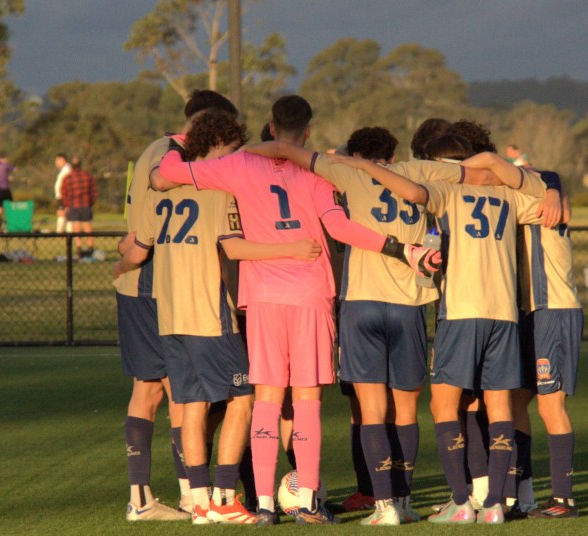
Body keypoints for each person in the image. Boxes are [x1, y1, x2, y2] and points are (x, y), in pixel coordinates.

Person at [154, 95, 440, 525]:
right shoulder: (315, 171)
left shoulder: (236, 165)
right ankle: (307, 499)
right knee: (307, 401)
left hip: (264, 296)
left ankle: (266, 504)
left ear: (270, 125)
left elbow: (167, 174)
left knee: (267, 400)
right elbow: (341, 227)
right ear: (307, 130)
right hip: (311, 295)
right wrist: (401, 249)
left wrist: (185, 141)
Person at [243, 126, 470, 525]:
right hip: (410, 303)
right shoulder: (417, 171)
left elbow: (288, 152)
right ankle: (403, 500)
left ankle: (382, 506)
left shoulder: (346, 172)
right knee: (405, 409)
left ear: (356, 152)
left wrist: (237, 153)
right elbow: (472, 171)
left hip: (362, 304)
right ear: (393, 151)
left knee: (369, 409)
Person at [325, 149, 561, 525]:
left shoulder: (448, 192)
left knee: (443, 406)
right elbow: (547, 198)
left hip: (461, 310)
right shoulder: (513, 196)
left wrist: (366, 166)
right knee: (500, 407)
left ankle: (460, 502)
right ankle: (496, 505)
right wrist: (551, 187)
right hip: (504, 313)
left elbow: (416, 194)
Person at [116, 109, 322, 525]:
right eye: (233, 148)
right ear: (222, 146)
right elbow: (235, 249)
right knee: (243, 401)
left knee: (189, 403)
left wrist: (118, 269)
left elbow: (136, 250)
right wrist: (293, 249)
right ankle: (226, 498)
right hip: (211, 316)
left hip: (169, 317)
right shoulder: (220, 192)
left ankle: (200, 501)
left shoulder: (164, 191)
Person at [110, 89, 239, 523]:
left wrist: (120, 260)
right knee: (184, 392)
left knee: (150, 391)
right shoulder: (181, 164)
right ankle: (192, 494)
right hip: (158, 284)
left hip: (137, 282)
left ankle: (142, 497)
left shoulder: (154, 149)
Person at [502, 182, 583, 520]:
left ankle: (564, 501)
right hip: (532, 311)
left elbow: (545, 176)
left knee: (551, 405)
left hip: (554, 310)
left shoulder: (540, 201)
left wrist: (551, 188)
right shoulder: (541, 195)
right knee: (518, 398)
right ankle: (522, 494)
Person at [60, 157, 98, 258]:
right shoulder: (87, 176)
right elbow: (94, 191)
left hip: (73, 206)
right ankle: (90, 246)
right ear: (81, 165)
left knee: (75, 227)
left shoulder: (68, 177)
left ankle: (79, 247)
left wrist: (66, 205)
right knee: (87, 226)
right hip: (85, 205)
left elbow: (64, 193)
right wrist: (91, 202)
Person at [53, 153, 72, 233]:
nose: (56, 163)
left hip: (64, 195)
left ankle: (63, 231)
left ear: (62, 160)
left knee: (63, 212)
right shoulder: (64, 169)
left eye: (57, 160)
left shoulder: (67, 169)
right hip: (61, 195)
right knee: (62, 212)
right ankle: (63, 231)